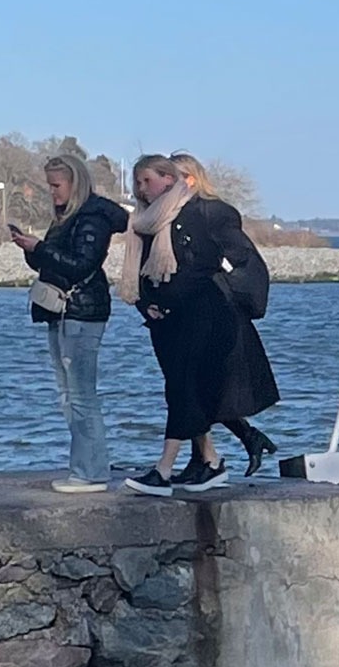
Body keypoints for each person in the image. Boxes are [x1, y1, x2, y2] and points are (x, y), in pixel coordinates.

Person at [119, 153, 280, 494]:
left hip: (203, 313)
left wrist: (225, 292)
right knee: (188, 390)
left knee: (186, 387)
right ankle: (210, 460)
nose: (141, 188)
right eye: (138, 182)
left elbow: (238, 263)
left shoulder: (211, 213)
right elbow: (143, 273)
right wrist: (147, 305)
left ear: (180, 179)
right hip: (164, 320)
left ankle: (164, 470)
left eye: (148, 180)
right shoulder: (148, 220)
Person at [11, 150, 128, 492]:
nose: (52, 192)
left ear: (74, 183)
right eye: (49, 185)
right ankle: (88, 466)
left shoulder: (90, 218)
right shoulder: (68, 216)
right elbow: (54, 266)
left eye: (56, 185)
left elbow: (79, 265)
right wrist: (32, 249)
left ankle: (90, 471)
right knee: (69, 394)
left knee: (80, 395)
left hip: (80, 312)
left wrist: (40, 248)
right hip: (64, 311)